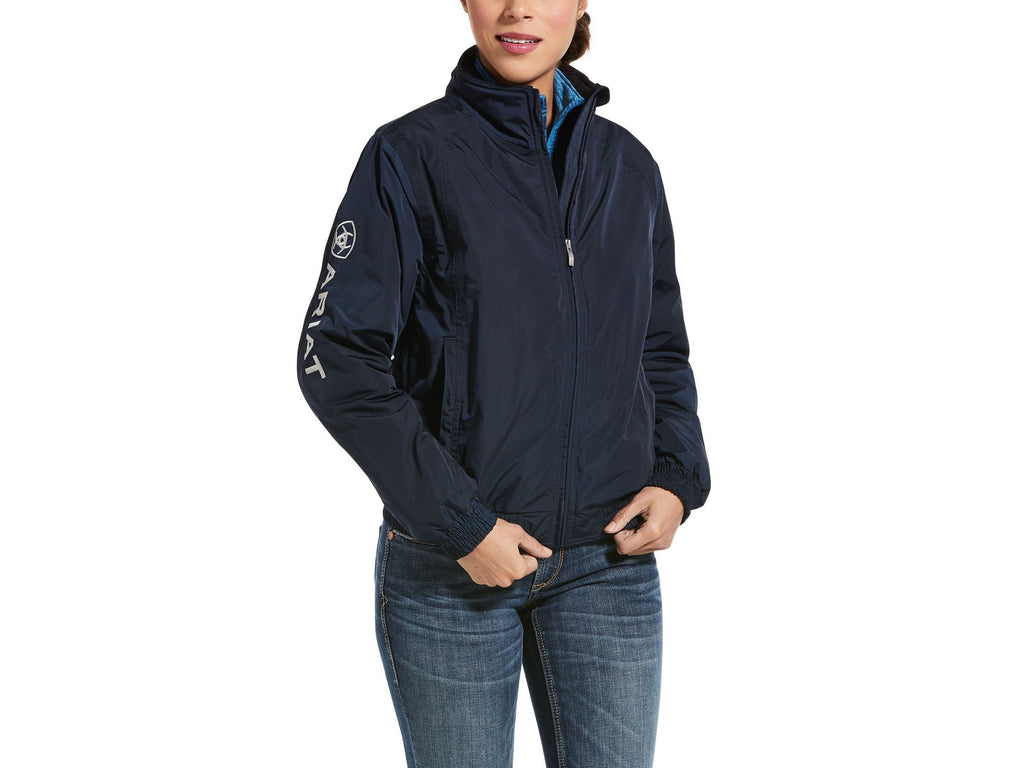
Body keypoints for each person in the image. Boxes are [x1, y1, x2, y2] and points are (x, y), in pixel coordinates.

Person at [296, 1, 711, 765]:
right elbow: (338, 359)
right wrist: (462, 525)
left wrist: (677, 476)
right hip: (451, 564)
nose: (519, 7)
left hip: (607, 564)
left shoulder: (628, 167)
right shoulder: (409, 156)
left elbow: (658, 344)